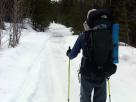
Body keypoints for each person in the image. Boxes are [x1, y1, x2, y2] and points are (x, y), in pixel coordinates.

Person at [66, 9, 113, 102]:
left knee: (85, 98)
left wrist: (69, 53)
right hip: (102, 73)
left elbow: (72, 55)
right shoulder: (109, 34)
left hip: (87, 73)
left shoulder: (84, 35)